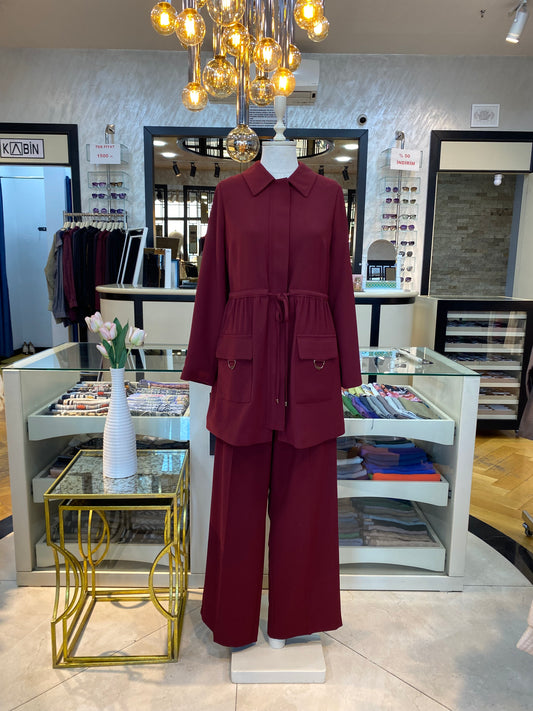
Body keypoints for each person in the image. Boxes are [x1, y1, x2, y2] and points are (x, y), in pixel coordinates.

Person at [181, 139, 361, 649]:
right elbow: (212, 284)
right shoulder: (230, 195)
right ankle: (233, 621)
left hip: (310, 366)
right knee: (236, 505)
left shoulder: (328, 196)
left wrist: (348, 367)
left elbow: (339, 286)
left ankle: (296, 618)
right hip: (245, 366)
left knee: (305, 504)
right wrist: (204, 363)